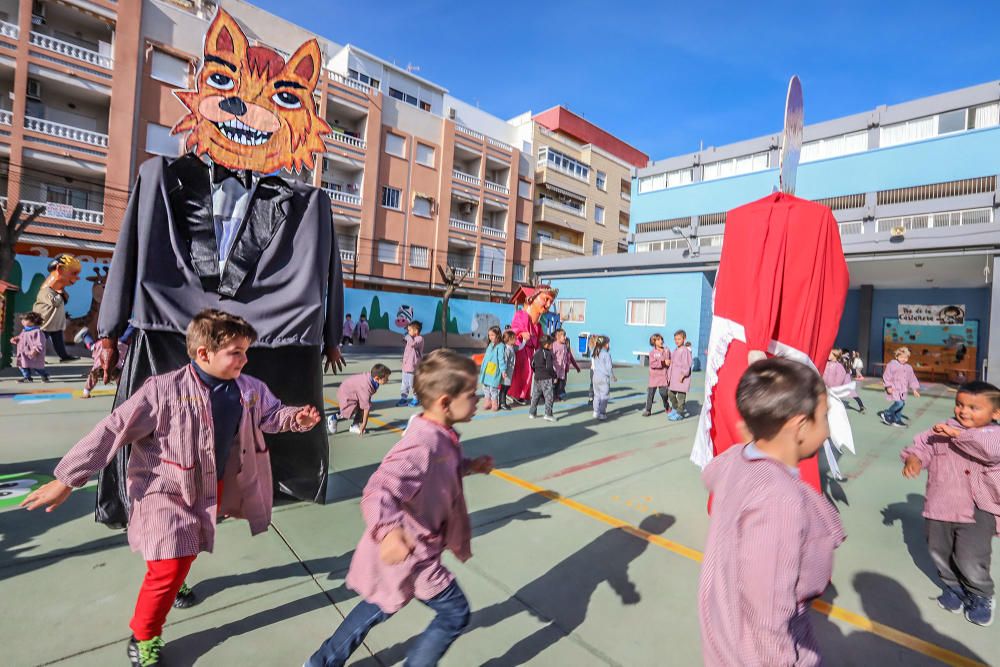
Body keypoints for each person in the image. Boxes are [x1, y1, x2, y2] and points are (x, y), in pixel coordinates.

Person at [92, 10, 346, 530]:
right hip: (172, 331)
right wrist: (109, 331)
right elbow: (128, 253)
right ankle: (165, 530)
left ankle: (219, 510)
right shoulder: (159, 177)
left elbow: (329, 271)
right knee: (159, 441)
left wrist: (330, 335)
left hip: (271, 337)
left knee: (254, 439)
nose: (244, 110)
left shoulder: (307, 202)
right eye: (227, 85)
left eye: (276, 99)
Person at [20, 309, 321, 667]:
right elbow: (113, 429)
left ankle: (176, 573)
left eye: (245, 350)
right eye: (236, 351)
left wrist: (294, 419)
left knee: (184, 552)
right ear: (203, 353)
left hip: (210, 488)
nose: (245, 358)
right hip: (162, 490)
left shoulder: (249, 389)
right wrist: (67, 478)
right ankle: (144, 635)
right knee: (167, 567)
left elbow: (271, 415)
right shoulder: (163, 391)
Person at [305, 349, 494, 667]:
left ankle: (320, 662)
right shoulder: (422, 444)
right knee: (455, 613)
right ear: (445, 402)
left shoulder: (441, 437)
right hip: (413, 554)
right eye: (471, 394)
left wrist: (469, 466)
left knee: (377, 606)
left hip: (411, 555)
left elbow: (441, 469)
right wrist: (390, 531)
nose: (477, 400)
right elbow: (378, 490)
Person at [691, 193, 849, 495]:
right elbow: (832, 292)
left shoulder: (744, 221)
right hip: (779, 353)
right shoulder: (813, 223)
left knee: (741, 441)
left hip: (741, 356)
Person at [698, 358, 845, 666]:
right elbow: (768, 605)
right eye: (825, 416)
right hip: (756, 652)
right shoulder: (780, 499)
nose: (828, 428)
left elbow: (708, 475)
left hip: (723, 628)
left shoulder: (735, 458)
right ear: (800, 426)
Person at [900, 381, 1000, 626]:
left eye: (974, 408)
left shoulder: (994, 434)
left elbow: (990, 451)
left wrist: (958, 434)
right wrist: (914, 459)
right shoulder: (942, 428)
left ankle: (980, 594)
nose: (964, 411)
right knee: (939, 551)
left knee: (970, 556)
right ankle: (954, 588)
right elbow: (922, 446)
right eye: (960, 405)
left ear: (995, 413)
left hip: (977, 509)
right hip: (940, 503)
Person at [509, 286, 558, 404]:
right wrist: (520, 333)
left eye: (550, 302)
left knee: (531, 373)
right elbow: (514, 331)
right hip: (521, 350)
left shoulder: (538, 325)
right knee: (522, 371)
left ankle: (524, 394)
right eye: (545, 299)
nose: (548, 304)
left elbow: (541, 341)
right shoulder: (521, 315)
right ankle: (515, 393)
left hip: (531, 353)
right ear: (534, 298)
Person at [33, 253, 82, 362]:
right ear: (59, 269)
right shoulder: (46, 291)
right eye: (74, 273)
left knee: (59, 342)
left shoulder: (58, 290)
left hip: (56, 323)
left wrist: (62, 293)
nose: (77, 278)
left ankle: (64, 356)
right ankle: (36, 357)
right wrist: (60, 294)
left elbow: (64, 301)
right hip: (45, 323)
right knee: (40, 342)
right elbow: (55, 302)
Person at [330, 364, 391, 436]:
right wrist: (364, 424)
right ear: (377, 378)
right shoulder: (366, 386)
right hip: (346, 392)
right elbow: (366, 408)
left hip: (354, 390)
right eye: (386, 378)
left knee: (360, 407)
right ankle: (333, 418)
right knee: (349, 410)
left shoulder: (373, 379)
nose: (388, 380)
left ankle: (354, 425)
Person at [82, 326, 134, 399]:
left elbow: (120, 380)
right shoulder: (99, 367)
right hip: (102, 345)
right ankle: (85, 335)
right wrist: (86, 391)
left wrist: (86, 392)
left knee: (128, 334)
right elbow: (120, 381)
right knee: (91, 345)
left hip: (114, 345)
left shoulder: (117, 365)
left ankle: (133, 325)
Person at [880, 346, 920, 428]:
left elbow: (912, 378)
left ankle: (897, 420)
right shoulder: (892, 364)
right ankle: (887, 413)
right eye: (901, 357)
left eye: (906, 358)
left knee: (902, 404)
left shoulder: (908, 367)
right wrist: (888, 386)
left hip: (903, 390)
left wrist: (914, 390)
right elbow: (886, 375)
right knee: (899, 403)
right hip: (894, 388)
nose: (903, 359)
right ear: (896, 356)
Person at [12, 312, 50, 383]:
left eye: (25, 319)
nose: (22, 321)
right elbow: (21, 338)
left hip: (34, 354)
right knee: (23, 365)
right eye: (22, 319)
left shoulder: (37, 332)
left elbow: (40, 342)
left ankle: (44, 376)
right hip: (23, 353)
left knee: (37, 367)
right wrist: (16, 339)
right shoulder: (24, 330)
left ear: (33, 321)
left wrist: (35, 350)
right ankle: (27, 377)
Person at [529, 334, 557, 422]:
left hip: (537, 377)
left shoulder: (536, 352)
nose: (552, 346)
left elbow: (532, 364)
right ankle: (548, 414)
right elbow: (549, 367)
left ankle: (532, 413)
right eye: (551, 344)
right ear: (546, 344)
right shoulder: (548, 353)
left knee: (535, 396)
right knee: (549, 396)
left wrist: (536, 371)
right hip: (546, 378)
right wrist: (554, 375)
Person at [479, 326, 507, 411]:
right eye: (489, 335)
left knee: (493, 387)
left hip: (494, 369)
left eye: (492, 335)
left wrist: (503, 370)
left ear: (498, 335)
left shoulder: (501, 346)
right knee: (485, 386)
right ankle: (488, 401)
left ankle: (495, 402)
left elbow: (501, 359)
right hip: (487, 369)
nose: (490, 337)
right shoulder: (490, 345)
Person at [397, 321, 425, 407]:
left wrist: (408, 337)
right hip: (406, 367)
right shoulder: (410, 338)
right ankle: (403, 398)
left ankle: (416, 398)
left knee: (413, 384)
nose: (408, 332)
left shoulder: (419, 339)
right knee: (404, 384)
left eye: (409, 330)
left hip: (413, 367)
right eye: (408, 330)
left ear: (416, 331)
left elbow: (413, 344)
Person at [643, 333, 670, 417]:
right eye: (658, 340)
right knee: (650, 394)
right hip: (654, 377)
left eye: (661, 339)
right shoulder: (652, 353)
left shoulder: (667, 350)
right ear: (654, 342)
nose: (661, 341)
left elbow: (670, 361)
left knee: (664, 394)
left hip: (663, 377)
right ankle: (648, 410)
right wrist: (663, 362)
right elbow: (652, 364)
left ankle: (667, 406)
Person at [668, 330, 692, 421]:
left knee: (681, 396)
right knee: (670, 393)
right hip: (674, 378)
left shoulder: (685, 351)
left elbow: (687, 364)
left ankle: (680, 413)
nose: (677, 341)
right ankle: (675, 408)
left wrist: (683, 374)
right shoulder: (675, 350)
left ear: (684, 339)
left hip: (681, 378)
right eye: (675, 339)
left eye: (679, 339)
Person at [552, 328, 581, 401]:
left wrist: (577, 367)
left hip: (563, 369)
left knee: (561, 384)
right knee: (554, 383)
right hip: (555, 369)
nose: (565, 337)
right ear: (558, 337)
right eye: (563, 336)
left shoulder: (565, 346)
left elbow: (570, 358)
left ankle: (559, 395)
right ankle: (552, 396)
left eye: (565, 336)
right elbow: (551, 357)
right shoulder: (554, 345)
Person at [592, 336, 616, 421]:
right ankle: (602, 413)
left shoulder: (595, 352)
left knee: (597, 395)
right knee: (604, 396)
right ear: (605, 344)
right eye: (608, 343)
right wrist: (613, 376)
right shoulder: (606, 354)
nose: (609, 345)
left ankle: (595, 412)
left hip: (595, 377)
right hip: (603, 378)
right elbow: (609, 367)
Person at [498, 330, 518, 411]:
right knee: (504, 388)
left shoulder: (511, 347)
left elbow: (519, 348)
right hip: (506, 372)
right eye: (514, 338)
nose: (516, 340)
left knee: (506, 387)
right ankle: (502, 403)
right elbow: (504, 360)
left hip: (509, 372)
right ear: (509, 339)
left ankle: (503, 402)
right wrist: (504, 371)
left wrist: (524, 341)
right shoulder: (507, 349)